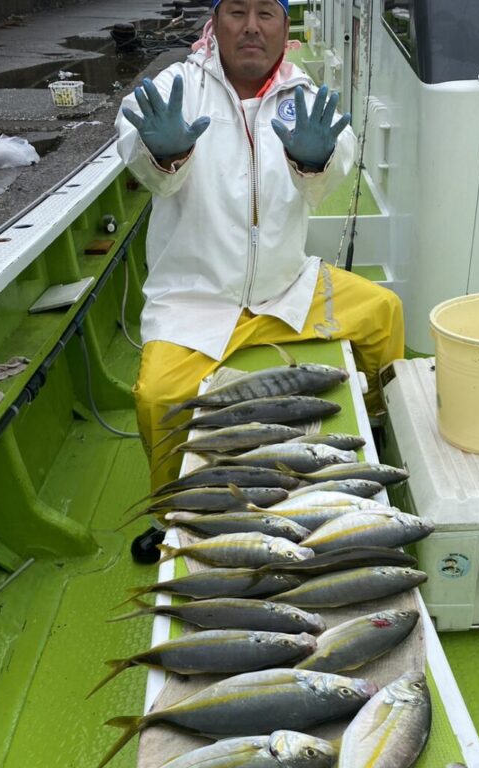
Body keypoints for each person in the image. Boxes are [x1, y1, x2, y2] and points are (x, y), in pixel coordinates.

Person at [116, 0, 404, 561]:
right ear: (215, 22)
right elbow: (144, 162)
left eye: (267, 12)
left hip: (287, 289)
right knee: (158, 399)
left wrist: (315, 163)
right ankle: (173, 515)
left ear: (285, 25)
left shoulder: (305, 96)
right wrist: (163, 155)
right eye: (237, 11)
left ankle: (373, 424)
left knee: (382, 313)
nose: (251, 27)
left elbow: (326, 179)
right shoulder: (176, 88)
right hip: (195, 301)